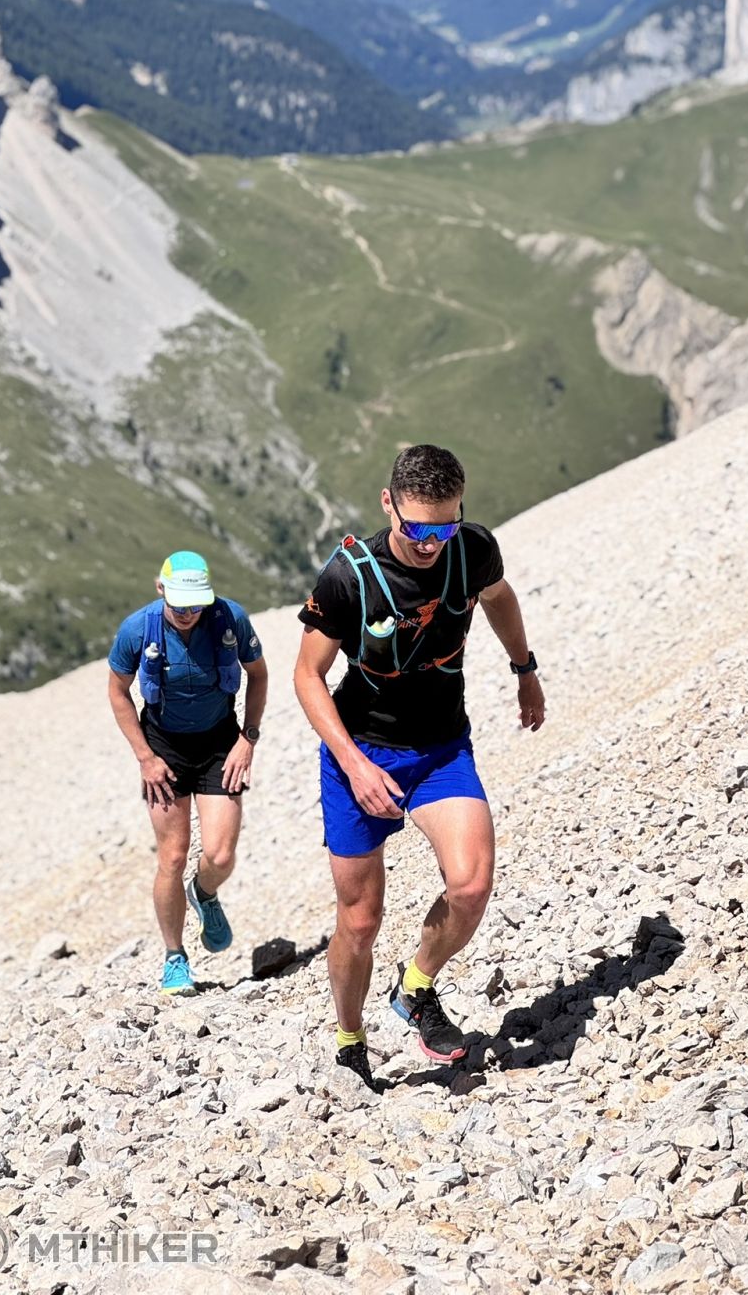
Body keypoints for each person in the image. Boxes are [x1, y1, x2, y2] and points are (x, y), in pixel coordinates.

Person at [294, 444, 545, 1088]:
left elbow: (500, 599)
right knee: (360, 919)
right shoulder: (349, 576)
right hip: (362, 751)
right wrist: (352, 764)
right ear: (388, 505)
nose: (432, 542)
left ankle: (415, 988)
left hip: (439, 748)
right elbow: (307, 675)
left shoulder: (474, 549)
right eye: (417, 528)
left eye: (445, 526)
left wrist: (525, 671)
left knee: (470, 884)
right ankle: (351, 1039)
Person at [108, 550, 268, 995]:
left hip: (220, 742)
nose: (187, 613)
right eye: (179, 604)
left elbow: (259, 674)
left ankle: (205, 892)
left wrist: (247, 739)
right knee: (172, 857)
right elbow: (118, 693)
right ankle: (175, 956)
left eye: (195, 605)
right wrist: (145, 757)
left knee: (219, 855)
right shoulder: (137, 629)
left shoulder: (230, 619)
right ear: (160, 590)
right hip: (163, 748)